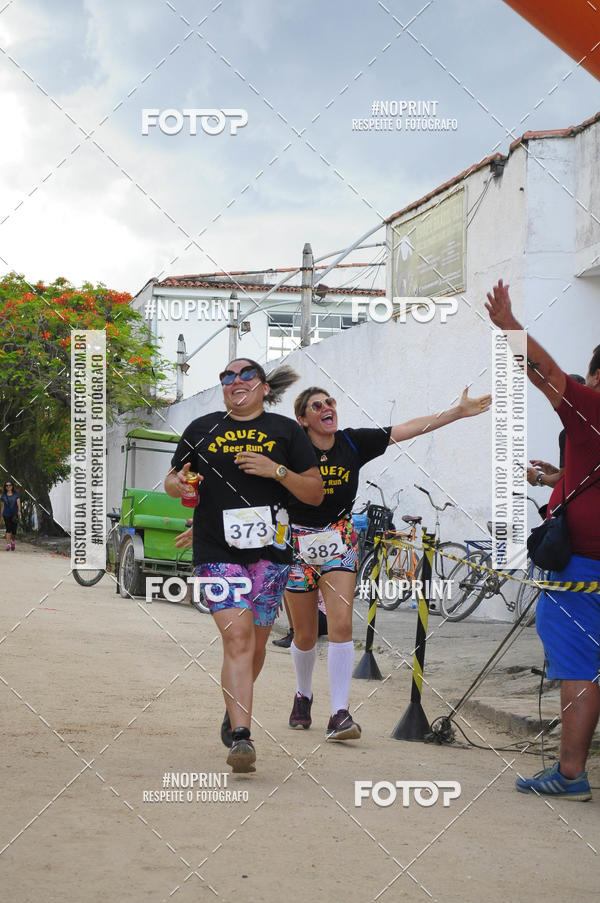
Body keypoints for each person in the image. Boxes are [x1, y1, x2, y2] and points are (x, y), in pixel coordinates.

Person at [284, 384, 492, 741]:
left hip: (339, 537)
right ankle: (303, 694)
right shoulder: (292, 449)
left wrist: (457, 413)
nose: (326, 407)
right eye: (316, 406)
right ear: (303, 419)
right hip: (298, 540)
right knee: (305, 634)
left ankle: (339, 713)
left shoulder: (352, 443)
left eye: (329, 402)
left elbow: (407, 428)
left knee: (341, 625)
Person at [165, 359, 323, 774]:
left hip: (272, 554)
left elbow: (314, 493)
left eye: (246, 374)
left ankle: (235, 704)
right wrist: (178, 484)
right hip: (216, 551)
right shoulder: (201, 429)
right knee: (237, 636)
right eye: (227, 376)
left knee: (254, 644)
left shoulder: (286, 432)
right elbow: (172, 481)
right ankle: (242, 736)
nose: (235, 381)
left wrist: (277, 470)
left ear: (264, 387)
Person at [486, 281, 600, 801]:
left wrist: (509, 326)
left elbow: (548, 374)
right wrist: (556, 478)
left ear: (595, 376)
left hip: (582, 568)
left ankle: (571, 774)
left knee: (578, 666)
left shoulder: (592, 409)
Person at [527, 375, 586, 490]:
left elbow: (567, 484)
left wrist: (538, 478)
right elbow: (578, 478)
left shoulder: (568, 434)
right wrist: (554, 472)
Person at [1, 480, 21, 551]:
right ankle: (8, 544)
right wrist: (1, 516)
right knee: (8, 529)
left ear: (12, 486)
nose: (8, 486)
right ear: (5, 487)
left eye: (10, 485)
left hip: (14, 514)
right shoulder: (3, 495)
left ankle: (13, 542)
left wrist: (19, 511)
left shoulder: (16, 494)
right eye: (7, 485)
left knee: (14, 530)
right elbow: (2, 506)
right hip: (6, 514)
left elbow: (18, 504)